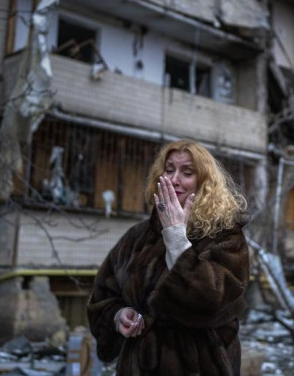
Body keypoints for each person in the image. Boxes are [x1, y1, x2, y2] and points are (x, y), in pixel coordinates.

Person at [87, 140, 250, 375]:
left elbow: (213, 299)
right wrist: (118, 315)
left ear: (204, 182)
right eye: (169, 169)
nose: (174, 179)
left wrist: (176, 238)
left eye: (187, 172)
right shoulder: (138, 236)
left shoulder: (225, 236)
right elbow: (103, 294)